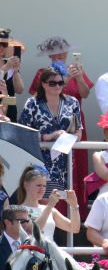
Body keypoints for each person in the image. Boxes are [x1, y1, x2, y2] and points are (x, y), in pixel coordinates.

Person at [18, 67, 82, 208]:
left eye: (60, 83)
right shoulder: (32, 104)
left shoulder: (72, 102)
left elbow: (78, 131)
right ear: (43, 84)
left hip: (62, 161)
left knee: (60, 201)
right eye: (52, 83)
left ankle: (57, 229)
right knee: (39, 201)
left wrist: (69, 137)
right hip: (39, 161)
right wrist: (48, 136)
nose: (57, 86)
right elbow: (22, 132)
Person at [12, 165, 79, 240]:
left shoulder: (51, 210)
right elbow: (33, 232)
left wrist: (74, 205)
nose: (42, 189)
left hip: (48, 251)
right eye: (38, 185)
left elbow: (74, 228)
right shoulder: (17, 211)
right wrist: (50, 206)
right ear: (26, 184)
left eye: (44, 186)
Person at [0, 29, 25, 119]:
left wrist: (15, 71)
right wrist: (6, 67)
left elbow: (19, 90)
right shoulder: (8, 65)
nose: (1, 47)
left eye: (4, 44)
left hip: (9, 113)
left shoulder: (9, 63)